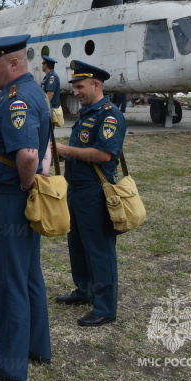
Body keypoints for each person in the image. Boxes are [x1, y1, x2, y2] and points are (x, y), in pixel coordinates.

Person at [0, 35, 52, 381]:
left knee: (8, 282)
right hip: (14, 199)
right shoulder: (26, 93)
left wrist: (22, 186)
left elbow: (28, 155)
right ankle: (35, 347)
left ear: (14, 64)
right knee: (29, 275)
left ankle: (9, 366)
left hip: (9, 201)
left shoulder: (18, 99)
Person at [55, 60, 127, 327]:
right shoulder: (88, 112)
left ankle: (105, 307)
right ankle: (84, 290)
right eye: (74, 87)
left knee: (99, 249)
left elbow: (104, 154)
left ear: (96, 85)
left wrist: (66, 151)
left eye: (80, 86)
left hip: (95, 193)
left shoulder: (109, 115)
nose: (76, 91)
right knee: (77, 244)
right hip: (75, 189)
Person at [41, 55, 64, 127]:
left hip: (50, 108)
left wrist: (42, 107)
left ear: (46, 65)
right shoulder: (47, 76)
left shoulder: (52, 77)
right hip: (49, 107)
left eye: (43, 64)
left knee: (48, 131)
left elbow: (50, 94)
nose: (42, 66)